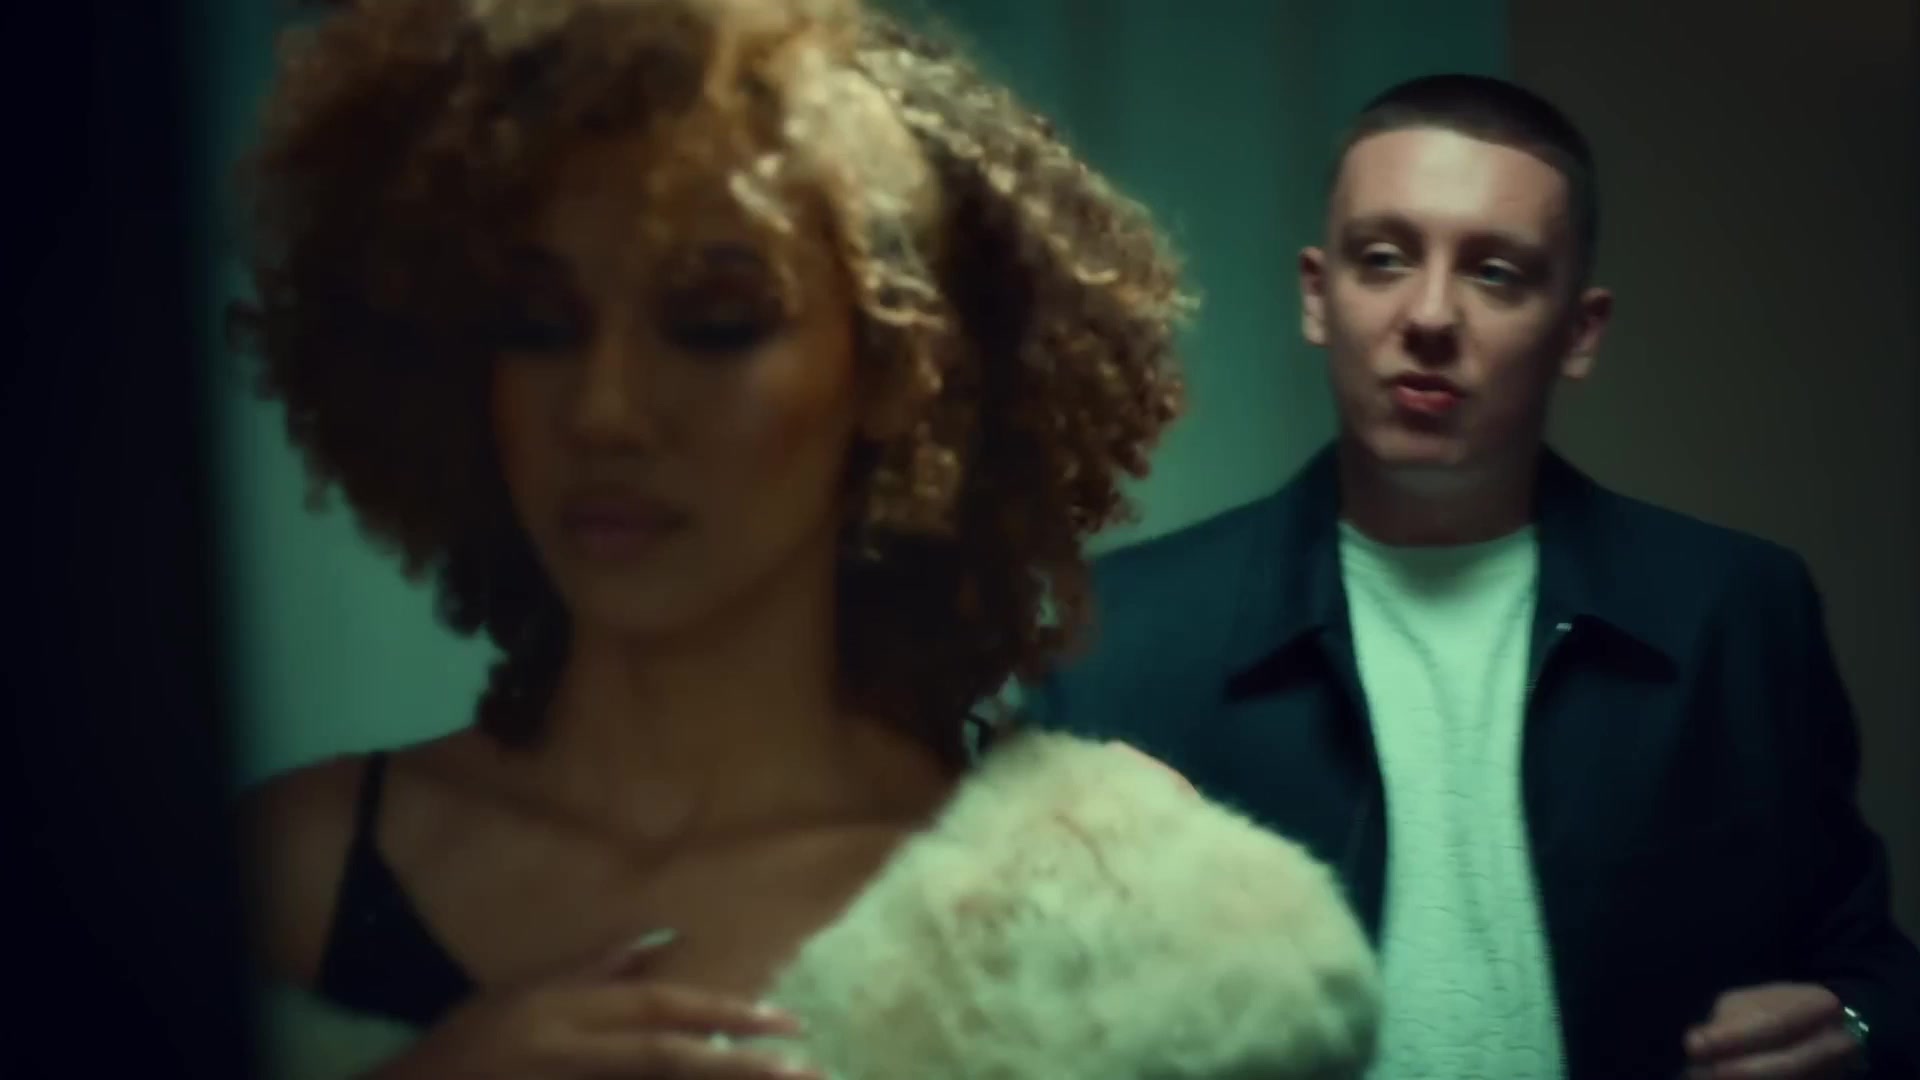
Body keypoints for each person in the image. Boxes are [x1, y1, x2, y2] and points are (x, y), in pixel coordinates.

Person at [231, 1, 1379, 1078]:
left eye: (714, 323)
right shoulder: (289, 873)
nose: (604, 411)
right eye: (537, 324)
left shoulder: (1116, 900)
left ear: (896, 367)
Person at [1027, 73, 1920, 1080]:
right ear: (1318, 295)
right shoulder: (1120, 632)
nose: (1430, 314)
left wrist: (1859, 1025)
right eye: (1384, 259)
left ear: (1579, 331)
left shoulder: (1734, 612)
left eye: (1496, 273)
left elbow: (1870, 966)